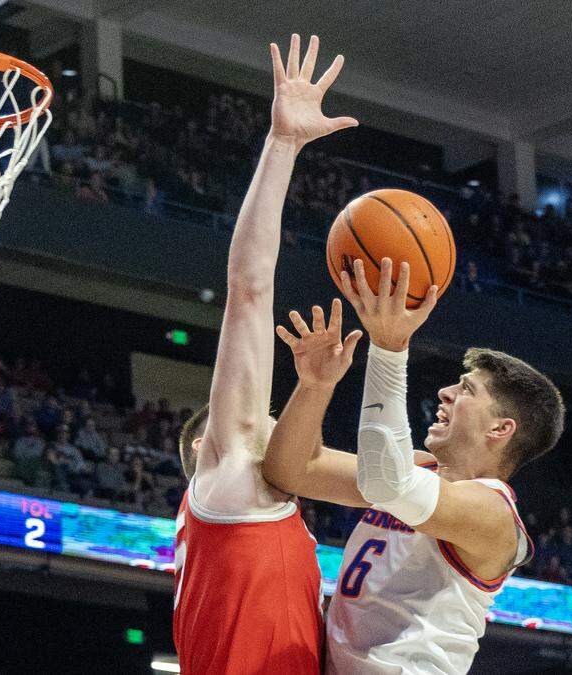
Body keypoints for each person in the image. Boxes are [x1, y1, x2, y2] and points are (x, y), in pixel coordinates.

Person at [264, 256, 563, 674]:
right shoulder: (417, 471)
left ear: (500, 428)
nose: (444, 393)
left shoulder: (494, 516)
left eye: (466, 390)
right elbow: (292, 470)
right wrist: (316, 385)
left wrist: (389, 348)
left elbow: (390, 484)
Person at [173, 34, 356, 674]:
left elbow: (388, 481)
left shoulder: (263, 504)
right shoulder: (231, 473)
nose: (268, 420)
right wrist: (281, 146)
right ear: (206, 448)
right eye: (266, 418)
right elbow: (250, 290)